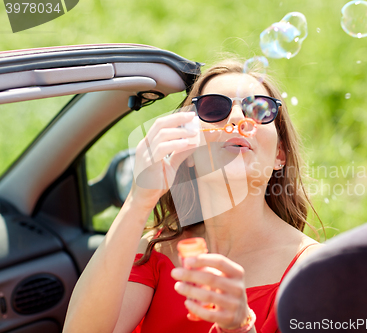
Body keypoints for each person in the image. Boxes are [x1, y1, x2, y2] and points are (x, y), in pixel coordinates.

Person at [63, 59, 324, 333]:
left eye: (258, 109)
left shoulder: (313, 271)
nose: (236, 119)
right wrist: (139, 200)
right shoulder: (156, 251)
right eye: (213, 108)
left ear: (279, 155)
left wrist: (240, 328)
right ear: (187, 150)